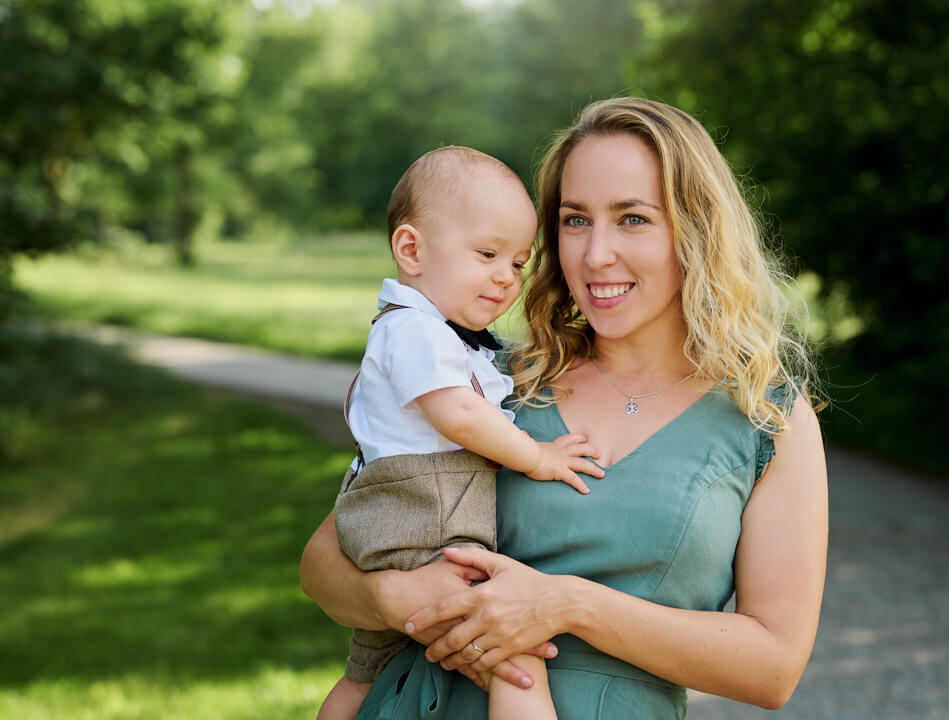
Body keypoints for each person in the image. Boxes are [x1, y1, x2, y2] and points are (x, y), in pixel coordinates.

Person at [301, 97, 828, 719]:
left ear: (697, 230)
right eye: (576, 220)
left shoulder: (766, 418)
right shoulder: (490, 380)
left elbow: (773, 669)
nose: (595, 254)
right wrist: (399, 600)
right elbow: (324, 561)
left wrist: (569, 605)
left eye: (632, 219)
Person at [317, 146, 605, 720]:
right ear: (411, 249)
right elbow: (461, 417)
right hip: (425, 523)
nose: (506, 277)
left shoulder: (429, 333)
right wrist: (538, 458)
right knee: (516, 650)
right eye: (487, 254)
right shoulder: (416, 331)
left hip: (396, 527)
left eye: (518, 263)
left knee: (365, 671)